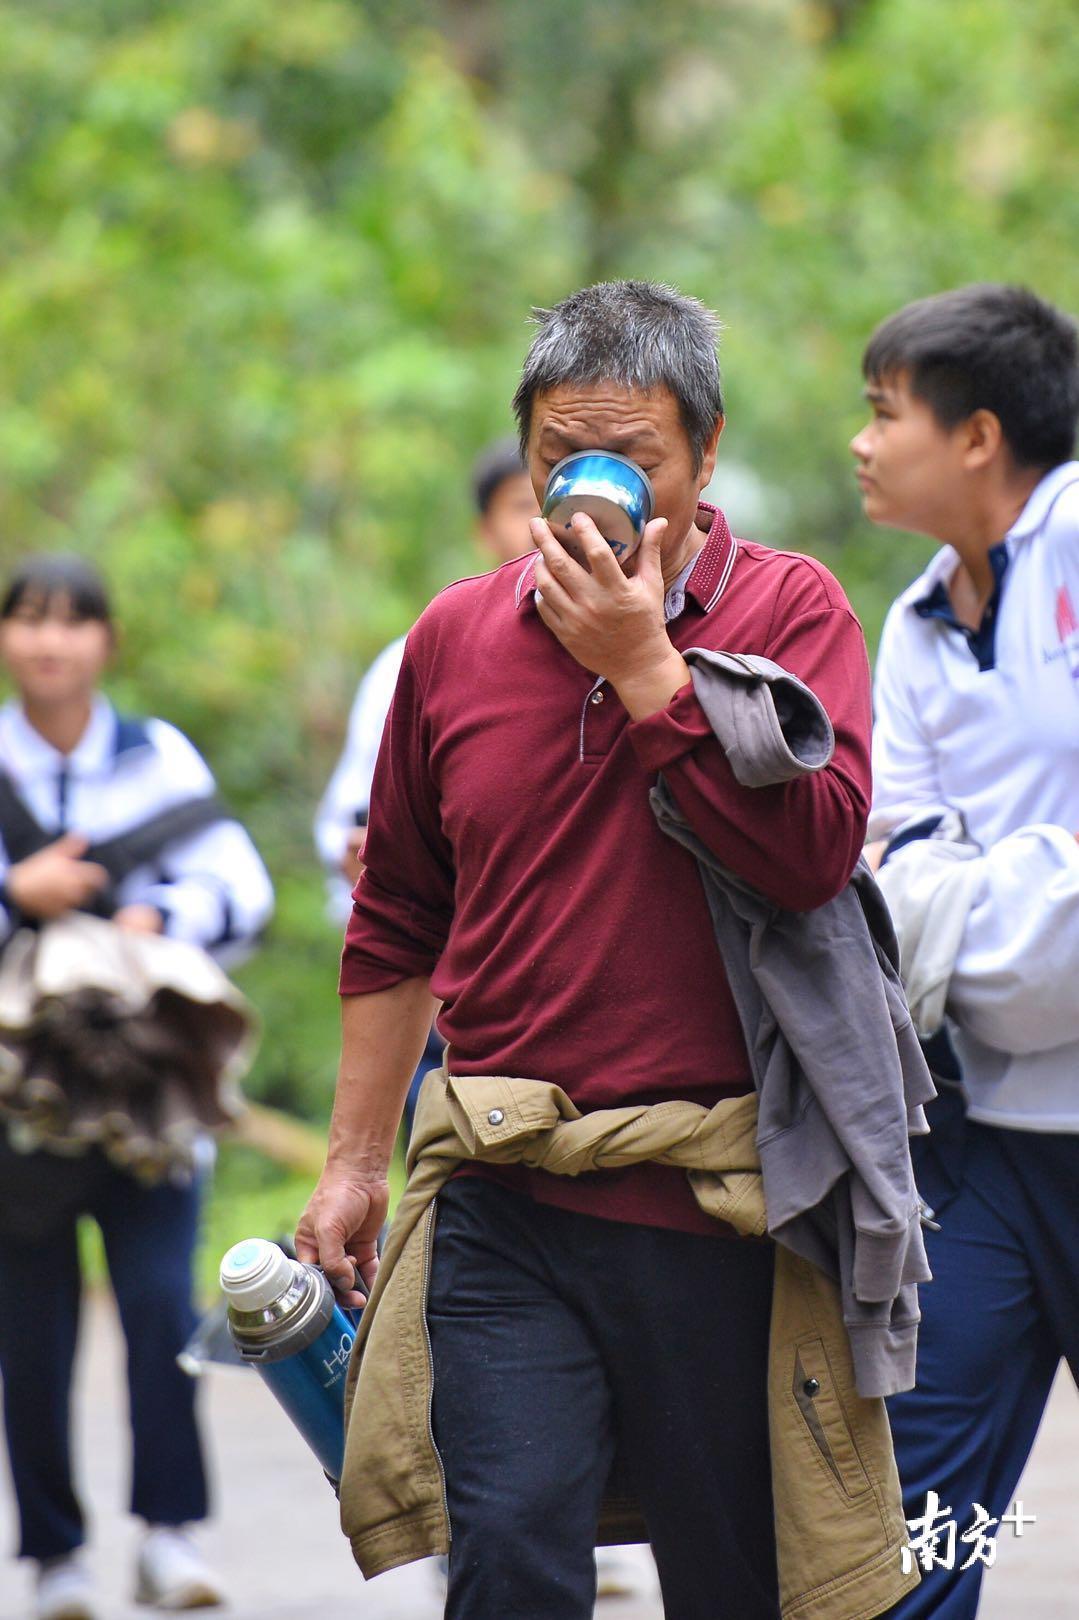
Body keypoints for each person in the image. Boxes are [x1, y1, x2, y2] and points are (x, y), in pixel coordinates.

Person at [297, 281, 899, 1620]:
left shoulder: (790, 612)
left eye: (633, 460)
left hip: (719, 1205)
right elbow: (396, 913)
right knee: (506, 1557)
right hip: (502, 1192)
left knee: (732, 1574)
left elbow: (808, 855)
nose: (593, 490)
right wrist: (349, 1166)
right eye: (562, 455)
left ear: (703, 454)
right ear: (522, 458)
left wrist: (646, 670)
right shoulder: (452, 640)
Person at [852, 283, 1079, 1618]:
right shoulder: (910, 623)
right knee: (905, 1533)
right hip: (981, 1146)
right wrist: (1046, 888)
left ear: (977, 435)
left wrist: (968, 899)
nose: (861, 444)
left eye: (884, 413)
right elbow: (894, 889)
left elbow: (936, 909)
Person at [0, 555, 274, 1620]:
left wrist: (163, 917)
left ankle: (170, 1534)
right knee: (32, 1326)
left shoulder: (155, 758)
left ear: (107, 640)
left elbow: (237, 882)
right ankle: (55, 1553)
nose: (49, 642)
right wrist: (18, 894)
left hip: (150, 1086)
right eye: (28, 620)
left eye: (71, 622)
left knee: (163, 1304)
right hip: (22, 1094)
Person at [313, 437, 537, 1133]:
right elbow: (348, 835)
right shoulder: (423, 653)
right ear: (483, 528)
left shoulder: (629, 644)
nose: (541, 526)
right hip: (444, 990)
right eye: (520, 507)